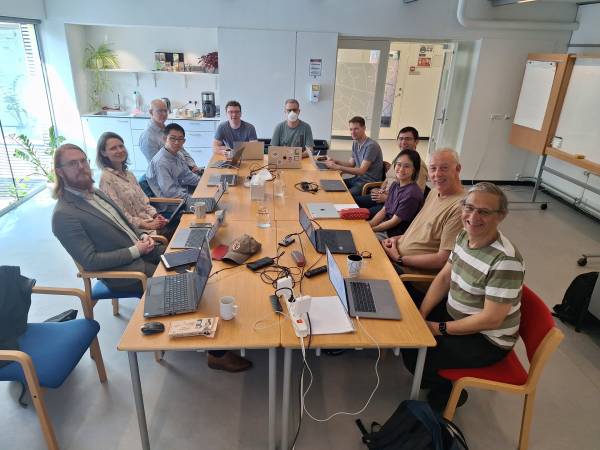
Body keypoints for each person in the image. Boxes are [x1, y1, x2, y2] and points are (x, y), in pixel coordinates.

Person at [401, 182, 524, 411]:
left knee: (416, 351)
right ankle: (432, 373)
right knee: (408, 326)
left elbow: (491, 320)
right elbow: (444, 278)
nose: (473, 217)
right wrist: (422, 314)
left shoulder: (505, 260)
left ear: (501, 216)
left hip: (486, 339)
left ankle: (447, 390)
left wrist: (439, 328)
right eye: (469, 208)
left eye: (484, 212)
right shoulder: (463, 236)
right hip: (457, 315)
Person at [51, 143, 163, 295]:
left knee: (186, 260)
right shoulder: (63, 214)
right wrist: (135, 250)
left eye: (83, 161)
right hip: (125, 273)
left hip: (144, 252)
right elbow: (90, 261)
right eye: (72, 163)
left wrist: (142, 235)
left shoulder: (96, 193)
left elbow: (123, 223)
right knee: (176, 283)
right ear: (60, 172)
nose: (81, 167)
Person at [381, 148, 464, 280]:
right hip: (395, 253)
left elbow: (442, 260)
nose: (437, 174)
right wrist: (396, 239)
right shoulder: (434, 192)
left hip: (408, 275)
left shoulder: (460, 208)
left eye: (444, 168)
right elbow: (421, 233)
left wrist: (399, 258)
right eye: (433, 168)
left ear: (457, 169)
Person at [97, 131, 169, 234]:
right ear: (103, 153)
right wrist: (148, 225)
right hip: (139, 232)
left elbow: (144, 201)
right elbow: (120, 215)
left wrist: (156, 216)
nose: (119, 150)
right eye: (113, 148)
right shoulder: (106, 179)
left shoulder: (129, 174)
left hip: (151, 222)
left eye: (121, 146)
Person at [356, 126, 426, 217]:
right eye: (401, 139)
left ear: (416, 142)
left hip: (393, 206)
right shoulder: (400, 158)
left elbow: (415, 196)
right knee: (353, 201)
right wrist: (381, 189)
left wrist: (387, 199)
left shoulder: (418, 165)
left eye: (408, 139)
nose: (403, 142)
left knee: (359, 214)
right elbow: (388, 179)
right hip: (383, 196)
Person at [369, 149, 424, 237]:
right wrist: (370, 224)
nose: (401, 169)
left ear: (414, 169)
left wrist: (371, 230)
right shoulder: (395, 185)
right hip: (385, 227)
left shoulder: (412, 194)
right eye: (399, 164)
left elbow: (394, 222)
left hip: (395, 235)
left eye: (407, 166)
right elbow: (384, 210)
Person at [324, 116, 384, 197]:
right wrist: (336, 161)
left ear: (364, 128)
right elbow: (351, 164)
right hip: (357, 179)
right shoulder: (355, 143)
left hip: (368, 184)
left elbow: (361, 171)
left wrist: (337, 167)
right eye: (351, 129)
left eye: (356, 129)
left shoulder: (371, 146)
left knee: (342, 196)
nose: (353, 132)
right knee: (329, 187)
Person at [146, 123, 201, 209]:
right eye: (172, 138)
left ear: (184, 141)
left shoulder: (178, 154)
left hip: (182, 194)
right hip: (171, 204)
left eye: (180, 139)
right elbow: (170, 193)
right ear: (164, 139)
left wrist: (203, 182)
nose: (177, 142)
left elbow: (187, 176)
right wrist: (192, 199)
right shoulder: (161, 163)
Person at [139, 98, 201, 173]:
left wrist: (192, 165)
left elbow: (182, 151)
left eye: (165, 111)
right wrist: (186, 171)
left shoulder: (167, 130)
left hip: (182, 171)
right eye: (160, 111)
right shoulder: (147, 137)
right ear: (151, 112)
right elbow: (158, 166)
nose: (164, 114)